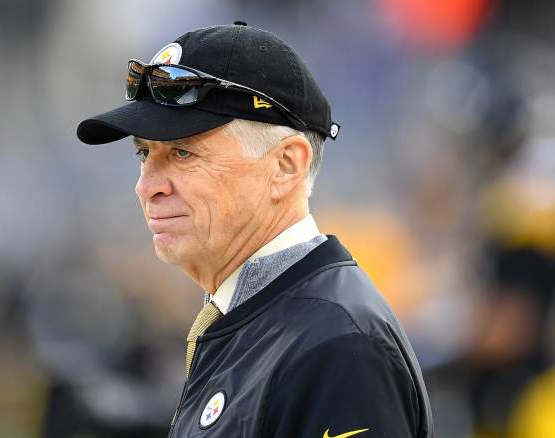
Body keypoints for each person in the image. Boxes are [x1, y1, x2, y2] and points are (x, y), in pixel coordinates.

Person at [77, 22, 433, 438]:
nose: (147, 186)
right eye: (144, 153)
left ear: (286, 166)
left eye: (183, 152)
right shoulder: (260, 320)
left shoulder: (338, 344)